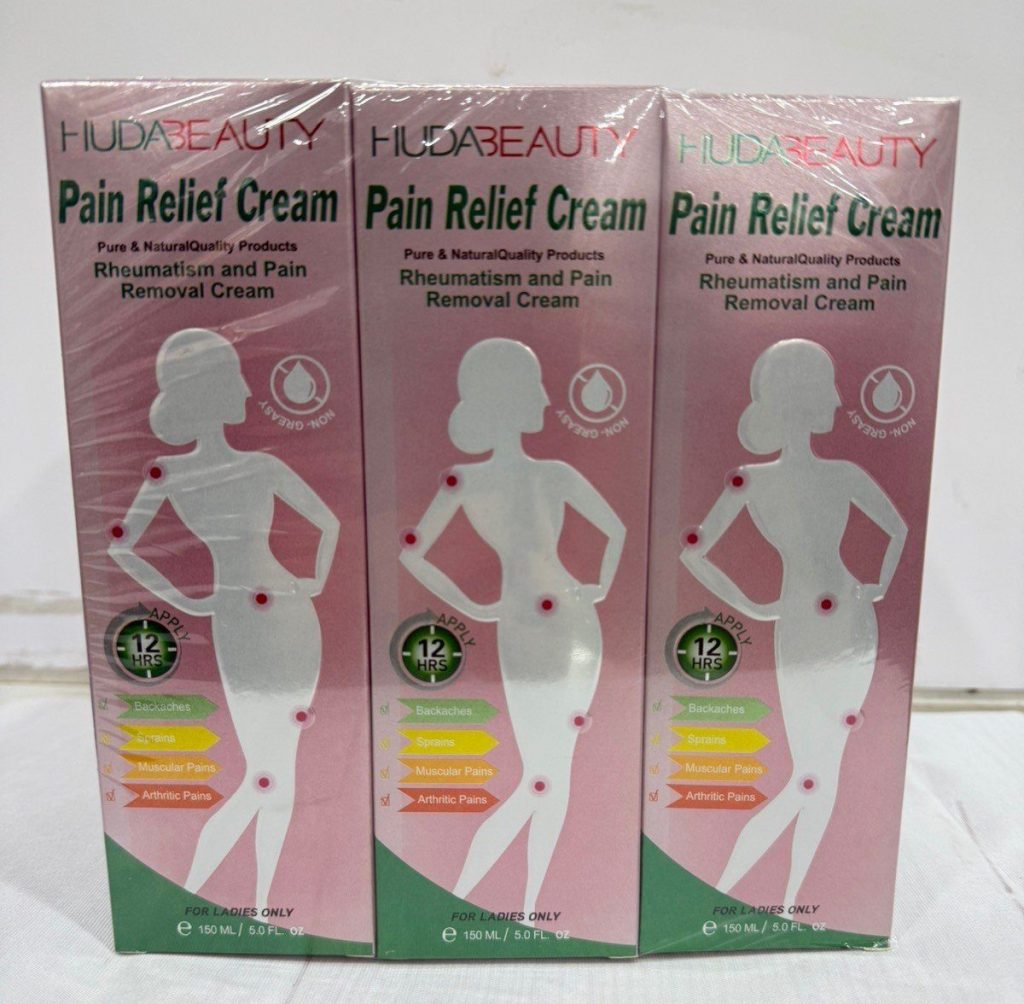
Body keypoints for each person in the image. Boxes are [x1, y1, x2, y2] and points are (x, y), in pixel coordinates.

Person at [109, 328, 339, 910]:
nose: (247, 389)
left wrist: (192, 600)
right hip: (269, 613)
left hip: (259, 616)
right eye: (235, 375)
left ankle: (252, 903)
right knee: (267, 776)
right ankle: (219, 897)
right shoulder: (240, 467)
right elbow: (328, 524)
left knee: (274, 774)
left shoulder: (183, 472)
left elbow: (121, 545)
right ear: (212, 388)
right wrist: (310, 580)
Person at [400, 338, 625, 920]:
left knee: (549, 776)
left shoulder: (495, 478)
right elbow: (412, 552)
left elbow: (413, 553)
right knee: (544, 778)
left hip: (557, 625)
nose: (549, 399)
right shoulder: (502, 477)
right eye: (535, 386)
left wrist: (482, 606)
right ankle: (493, 902)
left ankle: (514, 906)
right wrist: (591, 586)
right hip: (546, 620)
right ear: (510, 396)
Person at [681, 339, 906, 910]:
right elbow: (693, 552)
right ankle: (757, 897)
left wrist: (761, 605)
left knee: (817, 775)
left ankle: (771, 900)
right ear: (803, 397)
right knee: (812, 776)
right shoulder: (767, 478)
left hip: (828, 625)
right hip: (830, 621)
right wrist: (872, 585)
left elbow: (693, 552)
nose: (838, 399)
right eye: (828, 386)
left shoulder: (770, 479)